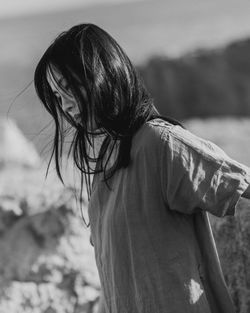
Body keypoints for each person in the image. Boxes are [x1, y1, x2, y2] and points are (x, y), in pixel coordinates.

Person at [34, 23, 250, 313]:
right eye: (58, 97)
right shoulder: (103, 168)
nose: (66, 106)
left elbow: (240, 183)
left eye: (69, 88)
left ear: (101, 74)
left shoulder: (160, 143)